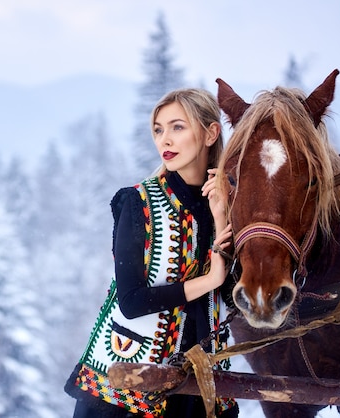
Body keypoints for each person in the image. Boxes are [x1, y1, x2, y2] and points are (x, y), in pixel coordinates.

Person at [64, 88, 239, 418]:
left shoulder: (228, 206)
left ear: (210, 133)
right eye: (158, 130)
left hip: (203, 394)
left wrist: (221, 219)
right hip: (126, 393)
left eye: (177, 127)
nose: (165, 140)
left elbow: (235, 299)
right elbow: (131, 302)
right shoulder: (136, 204)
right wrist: (211, 278)